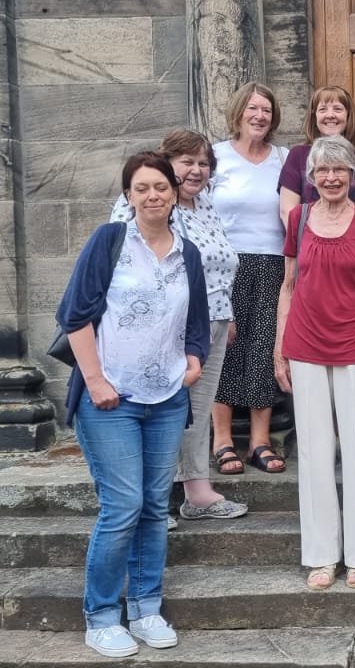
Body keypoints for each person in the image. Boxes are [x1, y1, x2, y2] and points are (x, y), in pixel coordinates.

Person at [56, 152, 210, 658]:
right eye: (141, 188)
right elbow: (74, 315)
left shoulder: (187, 252)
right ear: (128, 196)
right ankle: (101, 616)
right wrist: (94, 380)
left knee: (153, 507)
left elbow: (198, 322)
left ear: (174, 193)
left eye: (160, 187)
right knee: (122, 506)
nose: (152, 195)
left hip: (166, 399)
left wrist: (193, 361)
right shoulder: (110, 241)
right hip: (111, 400)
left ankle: (146, 609)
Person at [273, 135, 355, 590]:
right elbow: (288, 286)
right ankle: (322, 555)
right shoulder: (299, 218)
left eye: (339, 169)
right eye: (322, 170)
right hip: (306, 342)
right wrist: (279, 348)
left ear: (352, 174)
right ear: (311, 177)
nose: (330, 177)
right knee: (313, 449)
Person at [111, 130, 250, 524]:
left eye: (204, 163)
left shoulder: (204, 203)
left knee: (198, 409)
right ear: (166, 164)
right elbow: (124, 265)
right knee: (161, 408)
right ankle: (150, 501)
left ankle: (197, 492)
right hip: (167, 325)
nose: (196, 170)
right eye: (187, 161)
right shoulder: (147, 202)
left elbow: (219, 264)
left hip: (213, 319)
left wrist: (227, 314)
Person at [211, 82, 290, 475]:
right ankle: (222, 440)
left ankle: (260, 441)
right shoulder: (215, 156)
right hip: (227, 265)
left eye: (267, 110)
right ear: (239, 112)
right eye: (253, 108)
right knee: (225, 348)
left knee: (263, 349)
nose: (260, 116)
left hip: (273, 263)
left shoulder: (284, 158)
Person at [278, 85, 355, 225]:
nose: (330, 115)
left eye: (337, 109)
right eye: (323, 109)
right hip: (310, 237)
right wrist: (313, 237)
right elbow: (288, 211)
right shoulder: (298, 156)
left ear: (348, 115)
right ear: (314, 116)